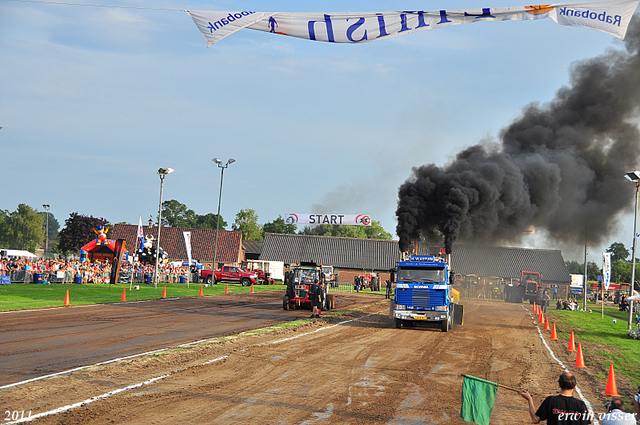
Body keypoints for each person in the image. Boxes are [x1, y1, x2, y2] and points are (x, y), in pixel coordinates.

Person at [519, 372, 591, 424]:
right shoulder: (581, 405)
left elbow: (535, 419)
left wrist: (529, 399)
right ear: (575, 386)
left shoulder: (550, 401)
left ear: (559, 385)